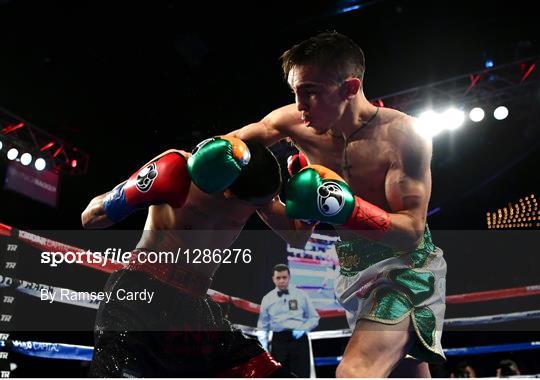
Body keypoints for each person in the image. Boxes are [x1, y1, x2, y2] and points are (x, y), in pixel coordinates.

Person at [228, 31, 447, 377]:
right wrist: (262, 198)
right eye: (295, 92)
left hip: (407, 270)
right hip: (351, 268)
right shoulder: (294, 124)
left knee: (354, 372)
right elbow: (298, 235)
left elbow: (411, 232)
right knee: (405, 374)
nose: (299, 106)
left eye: (311, 92)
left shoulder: (404, 136)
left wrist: (345, 208)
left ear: (349, 88)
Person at [81, 136, 306, 377]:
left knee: (267, 372)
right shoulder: (179, 168)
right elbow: (90, 217)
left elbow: (297, 236)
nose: (240, 207)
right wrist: (138, 189)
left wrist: (304, 192)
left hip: (195, 308)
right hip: (139, 297)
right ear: (227, 185)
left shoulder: (256, 191)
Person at [258, 264, 319, 377]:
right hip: (279, 340)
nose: (281, 281)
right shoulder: (267, 298)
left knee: (302, 374)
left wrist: (303, 328)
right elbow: (262, 325)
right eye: (278, 278)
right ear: (273, 279)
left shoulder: (301, 295)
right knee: (279, 375)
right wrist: (264, 348)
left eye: (284, 277)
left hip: (299, 339)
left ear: (289, 277)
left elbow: (314, 317)